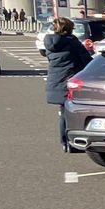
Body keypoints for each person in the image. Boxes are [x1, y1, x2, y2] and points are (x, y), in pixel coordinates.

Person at [42, 16, 90, 151]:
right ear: (69, 29)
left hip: (55, 82)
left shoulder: (49, 42)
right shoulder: (73, 43)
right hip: (70, 81)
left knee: (63, 113)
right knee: (70, 112)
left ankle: (65, 142)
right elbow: (86, 60)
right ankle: (72, 141)